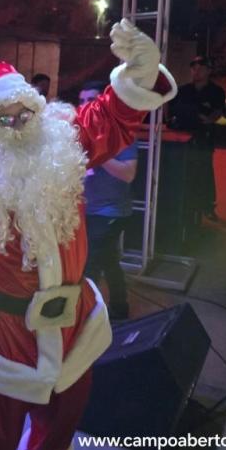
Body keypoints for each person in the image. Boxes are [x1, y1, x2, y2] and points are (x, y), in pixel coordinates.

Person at [0, 19, 176, 450]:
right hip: (0, 334)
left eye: (26, 115)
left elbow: (111, 118)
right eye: (4, 117)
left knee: (63, 417)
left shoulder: (62, 143)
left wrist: (140, 73)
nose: (18, 127)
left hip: (75, 321)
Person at [79, 82, 138, 321]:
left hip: (111, 211)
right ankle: (120, 307)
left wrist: (98, 154)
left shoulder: (120, 133)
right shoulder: (80, 132)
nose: (86, 105)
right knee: (109, 260)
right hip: (88, 209)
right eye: (82, 101)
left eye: (91, 99)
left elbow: (129, 173)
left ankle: (86, 318)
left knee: (89, 264)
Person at [167, 55, 225, 221]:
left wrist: (206, 118)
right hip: (183, 137)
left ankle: (207, 206)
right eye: (194, 68)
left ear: (209, 71)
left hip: (203, 138)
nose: (196, 71)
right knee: (184, 170)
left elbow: (217, 112)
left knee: (204, 171)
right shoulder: (183, 90)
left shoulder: (216, 91)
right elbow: (173, 109)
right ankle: (186, 203)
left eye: (201, 68)